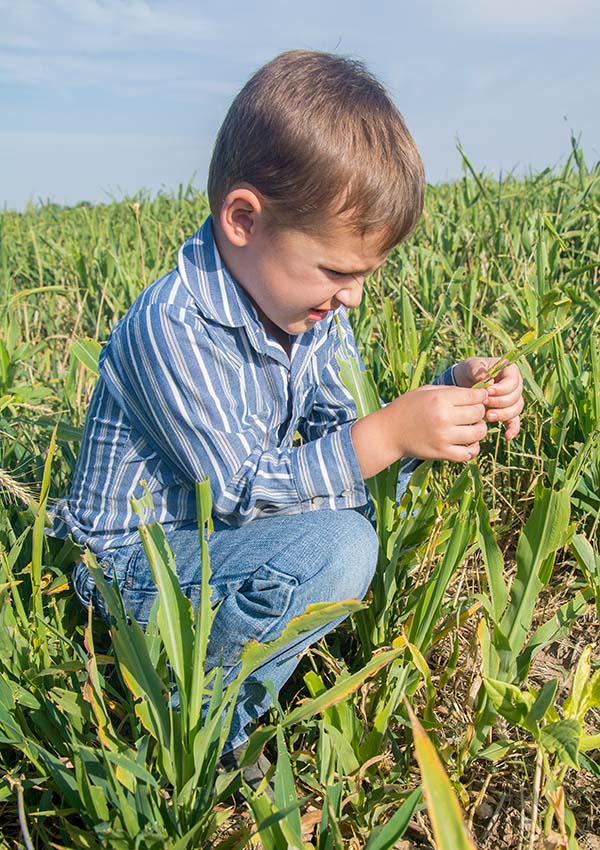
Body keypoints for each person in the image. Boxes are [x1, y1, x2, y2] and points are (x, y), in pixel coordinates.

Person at [50, 51, 523, 774]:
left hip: (218, 544)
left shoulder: (308, 312)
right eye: (338, 271)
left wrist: (449, 394)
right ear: (244, 219)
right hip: (129, 568)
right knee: (341, 547)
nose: (353, 298)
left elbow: (348, 436)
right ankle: (205, 729)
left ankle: (243, 653)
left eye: (364, 276)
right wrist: (390, 432)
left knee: (351, 521)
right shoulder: (171, 326)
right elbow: (240, 491)